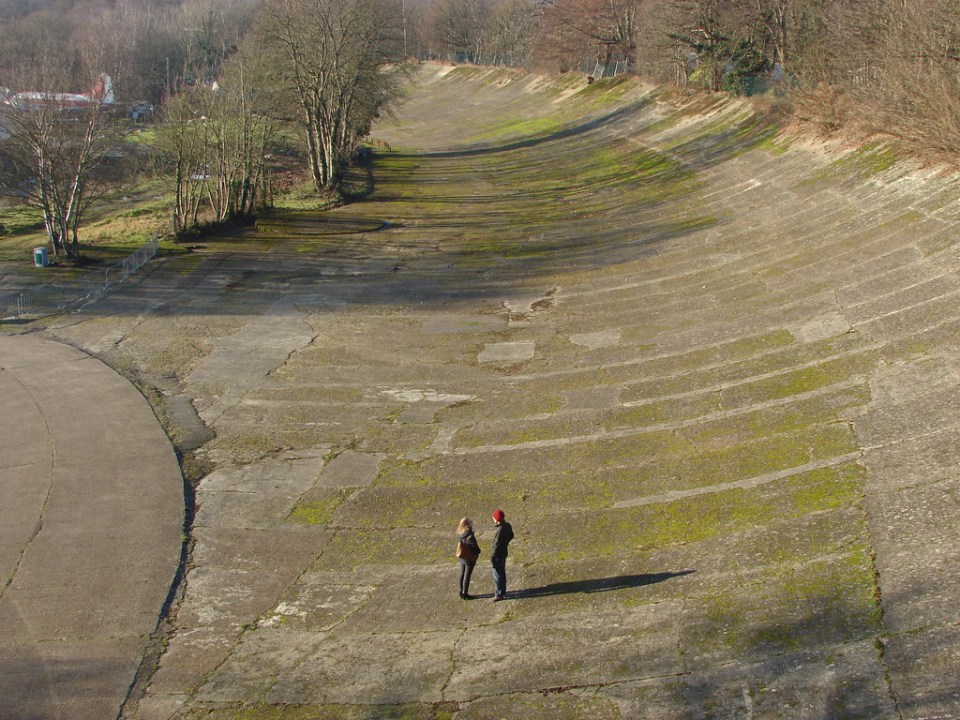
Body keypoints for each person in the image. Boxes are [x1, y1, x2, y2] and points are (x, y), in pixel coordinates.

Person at [490, 509, 514, 602]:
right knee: (502, 573)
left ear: (497, 519)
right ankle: (503, 592)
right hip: (504, 553)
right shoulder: (507, 526)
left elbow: (496, 545)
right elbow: (511, 535)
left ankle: (499, 594)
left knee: (497, 574)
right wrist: (506, 542)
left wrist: (492, 556)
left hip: (498, 556)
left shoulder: (499, 530)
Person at [456, 517, 481, 600]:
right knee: (467, 576)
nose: (472, 523)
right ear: (467, 525)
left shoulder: (461, 533)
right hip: (469, 559)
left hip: (462, 557)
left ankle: (461, 591)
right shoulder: (469, 535)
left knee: (462, 574)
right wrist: (478, 552)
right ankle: (465, 593)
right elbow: (475, 548)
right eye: (470, 522)